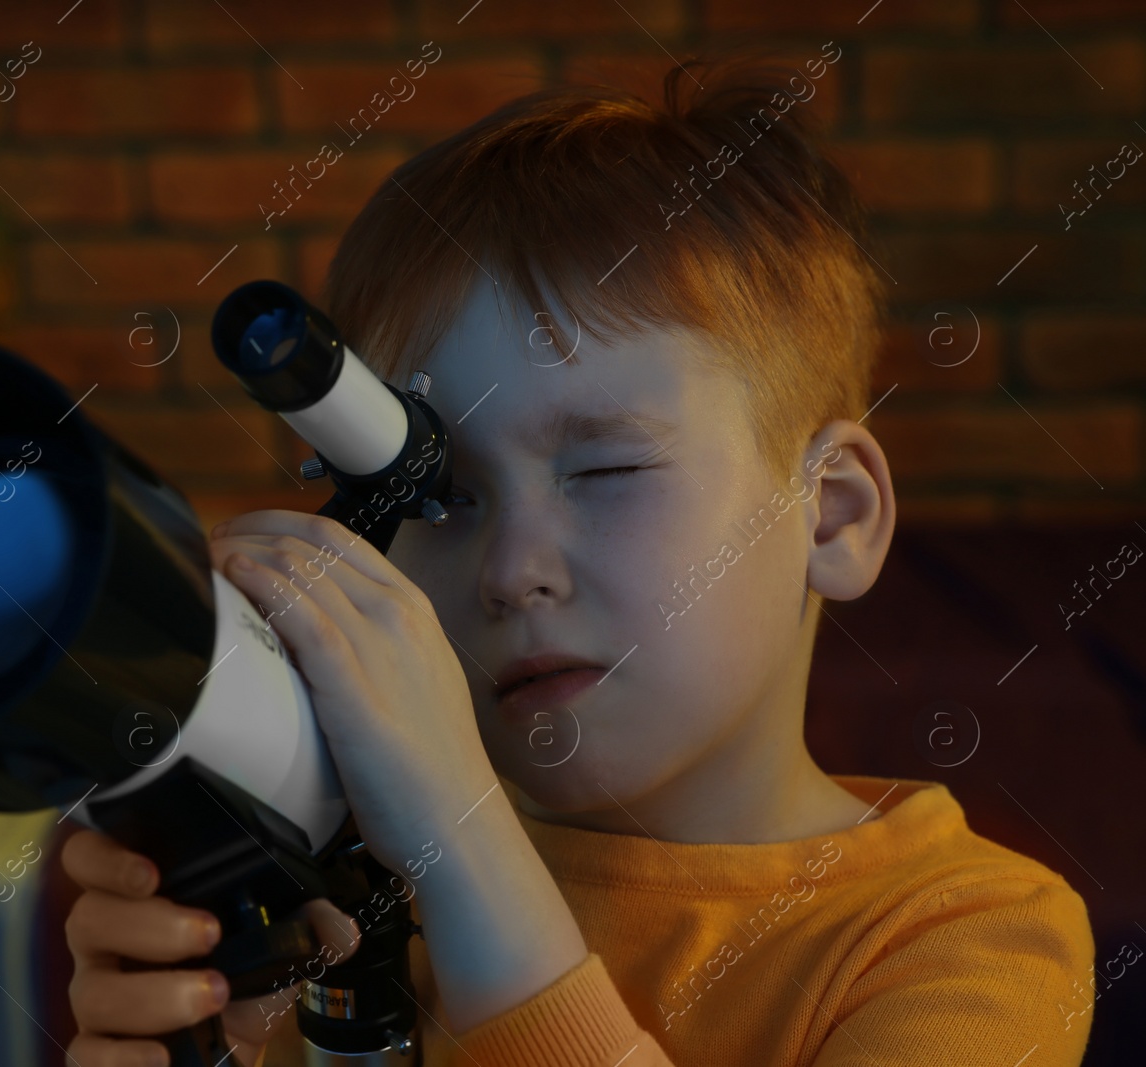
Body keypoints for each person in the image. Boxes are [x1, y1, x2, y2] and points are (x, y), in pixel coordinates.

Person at [59, 59, 1095, 1067]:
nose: (512, 569)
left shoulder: (973, 940)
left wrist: (461, 841)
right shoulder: (349, 909)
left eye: (604, 469)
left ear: (829, 516)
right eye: (443, 496)